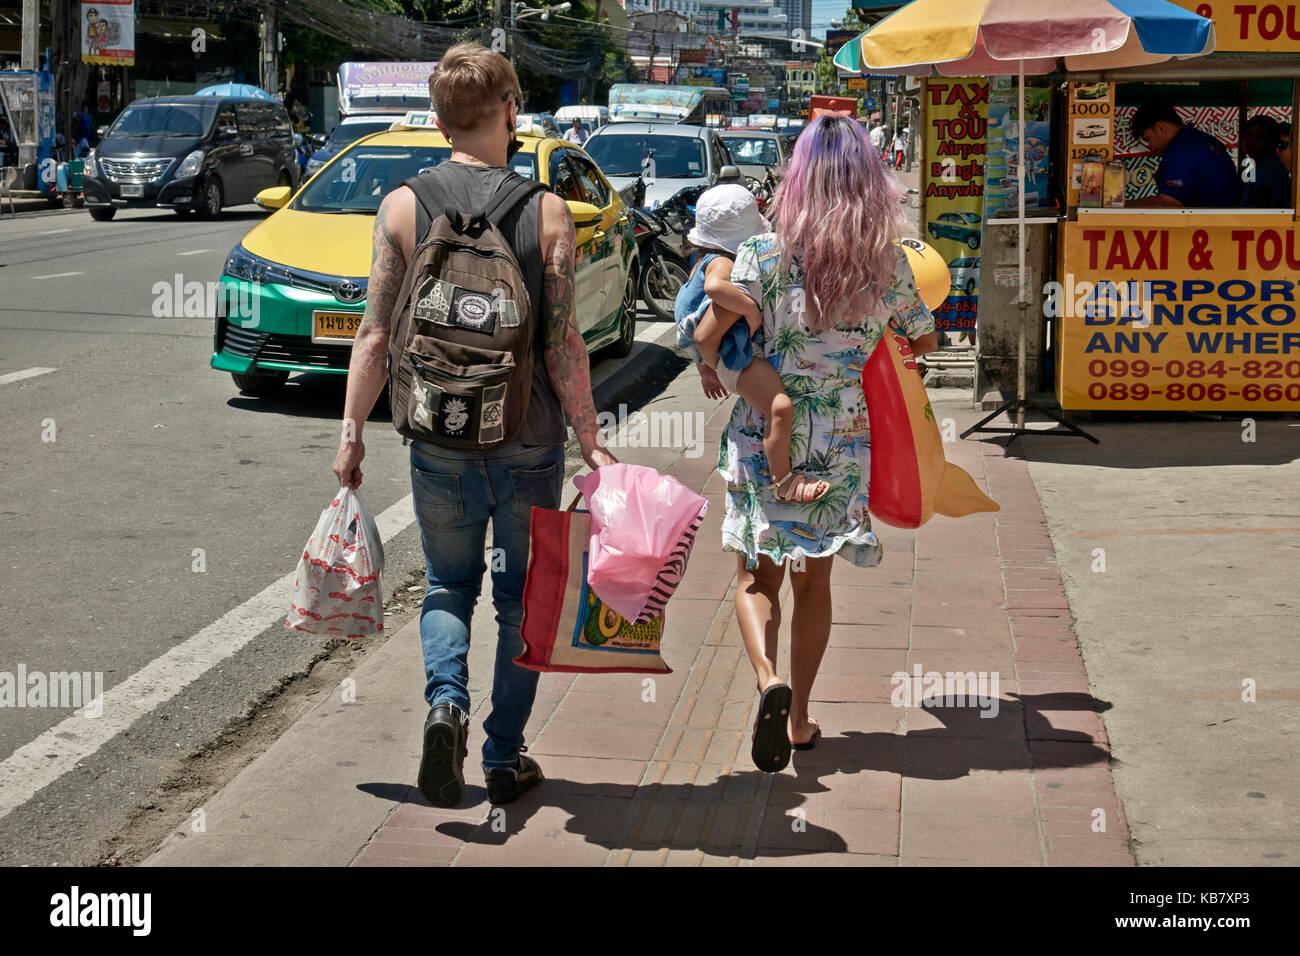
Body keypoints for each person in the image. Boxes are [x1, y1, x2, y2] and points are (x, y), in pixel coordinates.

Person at [332, 42, 616, 808]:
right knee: (522, 599)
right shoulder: (548, 210)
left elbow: (374, 333)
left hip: (436, 432)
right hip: (528, 441)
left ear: (438, 119)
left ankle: (445, 705)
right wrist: (591, 441)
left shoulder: (401, 205)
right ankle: (500, 755)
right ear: (510, 113)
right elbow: (561, 342)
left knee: (448, 585)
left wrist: (354, 429)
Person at [717, 114, 937, 772]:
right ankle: (801, 716)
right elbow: (924, 337)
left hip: (765, 428)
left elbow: (719, 330)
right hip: (841, 434)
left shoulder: (761, 252)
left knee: (758, 578)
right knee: (814, 584)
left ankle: (767, 681)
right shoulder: (886, 260)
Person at [678, 184, 829, 503]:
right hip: (733, 358)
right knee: (780, 407)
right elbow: (713, 294)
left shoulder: (701, 259)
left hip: (720, 358)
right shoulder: (723, 263)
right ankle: (784, 481)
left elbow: (691, 327)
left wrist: (705, 369)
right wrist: (749, 308)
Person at [1127, 101, 1238, 208]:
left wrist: (1120, 205)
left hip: (1211, 223)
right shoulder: (1202, 139)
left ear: (1161, 128)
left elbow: (1167, 204)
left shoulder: (1181, 150)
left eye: (1148, 138)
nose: (1150, 146)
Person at [1240, 114, 1292, 209]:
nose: (1250, 141)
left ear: (1269, 140)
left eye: (1258, 137)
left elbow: (1261, 213)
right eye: (1247, 135)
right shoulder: (1256, 167)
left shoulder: (1271, 170)